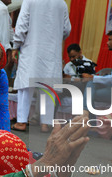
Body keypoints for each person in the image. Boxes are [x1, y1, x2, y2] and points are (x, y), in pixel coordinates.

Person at [11, 0, 71, 132]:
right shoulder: (61, 3)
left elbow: (22, 25)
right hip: (52, 51)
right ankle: (46, 123)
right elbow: (67, 29)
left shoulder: (30, 1)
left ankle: (21, 122)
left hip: (32, 49)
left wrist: (16, 45)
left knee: (25, 86)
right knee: (48, 86)